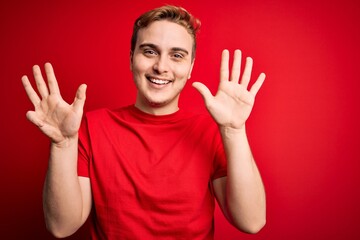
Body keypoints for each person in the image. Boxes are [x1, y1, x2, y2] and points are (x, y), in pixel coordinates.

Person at [21, 5, 266, 239]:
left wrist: (234, 130)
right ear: (131, 58)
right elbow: (61, 226)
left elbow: (251, 221)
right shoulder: (90, 127)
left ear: (190, 67)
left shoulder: (211, 132)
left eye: (177, 55)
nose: (161, 66)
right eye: (149, 51)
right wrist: (63, 144)